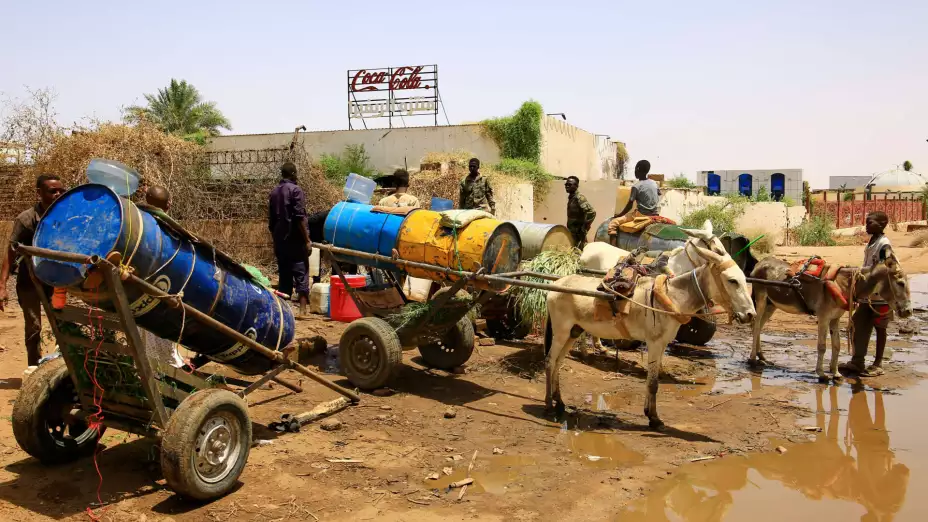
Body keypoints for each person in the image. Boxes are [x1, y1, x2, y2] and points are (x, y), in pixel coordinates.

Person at [0, 174, 66, 366]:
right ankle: (33, 368)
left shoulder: (67, 216)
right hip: (30, 281)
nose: (58, 194)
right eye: (52, 191)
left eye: (61, 190)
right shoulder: (26, 219)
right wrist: (2, 286)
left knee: (62, 325)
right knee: (34, 327)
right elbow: (10, 253)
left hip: (56, 281)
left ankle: (65, 368)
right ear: (39, 193)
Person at [840, 211, 894, 376]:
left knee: (880, 328)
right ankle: (858, 361)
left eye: (870, 223)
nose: (866, 226)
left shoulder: (884, 245)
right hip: (867, 294)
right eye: (866, 222)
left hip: (880, 296)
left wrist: (859, 271)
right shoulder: (872, 242)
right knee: (856, 324)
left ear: (882, 224)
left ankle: (878, 364)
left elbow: (886, 267)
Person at [268, 161, 312, 316]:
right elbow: (299, 217)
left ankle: (284, 311)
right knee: (301, 270)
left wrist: (276, 237)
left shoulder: (274, 192)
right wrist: (307, 240)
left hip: (280, 240)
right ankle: (302, 309)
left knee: (284, 273)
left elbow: (271, 220)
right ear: (293, 174)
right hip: (295, 239)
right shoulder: (296, 190)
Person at [608, 160, 661, 236]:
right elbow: (658, 193)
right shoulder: (654, 183)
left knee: (613, 224)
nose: (634, 171)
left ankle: (612, 246)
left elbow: (630, 204)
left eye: (635, 169)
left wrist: (620, 215)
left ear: (638, 169)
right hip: (655, 214)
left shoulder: (636, 186)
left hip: (641, 215)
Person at [565, 176, 596, 249]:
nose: (566, 186)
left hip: (578, 232)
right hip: (572, 231)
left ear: (576, 186)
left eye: (569, 184)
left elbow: (591, 212)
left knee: (580, 250)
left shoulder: (579, 198)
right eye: (566, 184)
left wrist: (584, 227)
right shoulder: (572, 197)